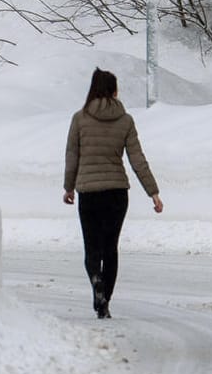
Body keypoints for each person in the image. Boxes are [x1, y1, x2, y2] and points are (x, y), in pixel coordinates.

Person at [63, 68, 163, 319]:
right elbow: (137, 158)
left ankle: (96, 281)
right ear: (113, 90)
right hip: (117, 193)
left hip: (89, 192)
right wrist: (153, 192)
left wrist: (69, 187)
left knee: (92, 248)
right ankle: (104, 302)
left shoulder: (79, 118)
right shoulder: (126, 120)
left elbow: (72, 156)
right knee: (111, 249)